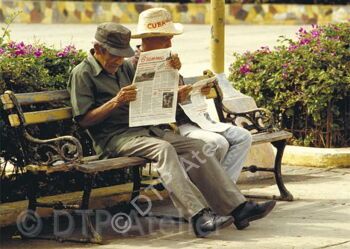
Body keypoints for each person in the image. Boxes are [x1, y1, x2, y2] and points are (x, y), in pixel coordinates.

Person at [68, 21, 275, 238]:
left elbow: (152, 87)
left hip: (145, 130)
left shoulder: (125, 67)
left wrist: (172, 70)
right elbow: (84, 121)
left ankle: (238, 209)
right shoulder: (82, 73)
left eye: (122, 55)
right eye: (115, 55)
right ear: (99, 49)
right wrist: (116, 101)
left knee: (197, 146)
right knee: (164, 149)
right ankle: (198, 217)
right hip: (114, 138)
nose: (119, 60)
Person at [131, 7, 252, 184]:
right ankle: (221, 196)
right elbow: (144, 106)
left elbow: (183, 96)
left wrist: (196, 92)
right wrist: (174, 98)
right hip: (170, 127)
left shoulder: (169, 59)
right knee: (218, 143)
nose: (170, 45)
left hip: (194, 120)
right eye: (166, 39)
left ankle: (223, 194)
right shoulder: (132, 66)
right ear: (149, 39)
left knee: (243, 137)